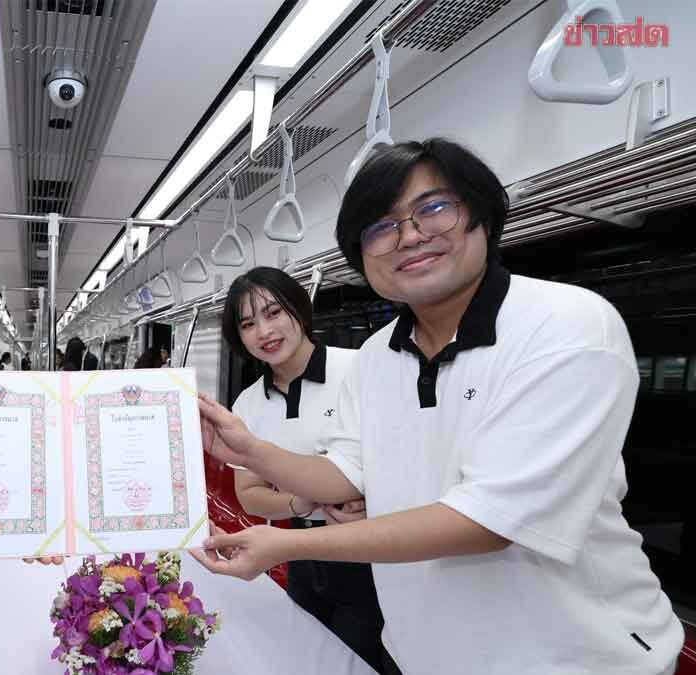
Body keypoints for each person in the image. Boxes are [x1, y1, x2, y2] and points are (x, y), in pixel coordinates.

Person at [192, 139, 683, 675]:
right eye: (381, 227)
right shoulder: (377, 357)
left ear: (481, 215)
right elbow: (344, 475)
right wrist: (248, 450)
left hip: (573, 659)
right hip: (421, 653)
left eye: (433, 208)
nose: (409, 236)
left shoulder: (565, 326)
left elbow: (489, 521)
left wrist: (288, 547)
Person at [220, 266, 386, 672]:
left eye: (274, 312)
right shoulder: (248, 404)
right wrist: (301, 501)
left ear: (299, 307)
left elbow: (401, 459)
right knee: (307, 657)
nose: (264, 331)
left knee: (366, 660)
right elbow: (250, 494)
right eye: (248, 324)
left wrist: (372, 500)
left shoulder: (360, 368)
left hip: (373, 554)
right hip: (300, 554)